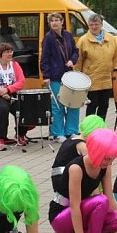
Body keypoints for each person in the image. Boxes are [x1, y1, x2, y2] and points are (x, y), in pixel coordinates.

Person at [49, 128, 117, 233]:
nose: (109, 163)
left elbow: (111, 199)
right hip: (61, 216)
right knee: (100, 201)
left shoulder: (105, 167)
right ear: (96, 152)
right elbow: (74, 206)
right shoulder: (76, 168)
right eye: (107, 159)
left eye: (111, 159)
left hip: (81, 212)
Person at [40, 12, 80, 141]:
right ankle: (58, 132)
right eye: (52, 21)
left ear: (62, 22)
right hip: (55, 76)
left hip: (69, 74)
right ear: (50, 23)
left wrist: (72, 61)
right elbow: (44, 58)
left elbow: (75, 51)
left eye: (57, 20)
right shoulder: (48, 38)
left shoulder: (68, 35)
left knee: (73, 103)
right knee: (58, 105)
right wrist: (46, 75)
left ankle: (72, 130)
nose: (55, 22)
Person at [75, 13, 117, 120]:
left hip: (106, 79)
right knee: (92, 105)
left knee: (104, 105)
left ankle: (101, 128)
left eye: (96, 24)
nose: (94, 27)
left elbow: (115, 58)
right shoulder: (83, 40)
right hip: (91, 80)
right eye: (91, 25)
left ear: (101, 24)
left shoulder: (111, 39)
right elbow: (78, 61)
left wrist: (114, 74)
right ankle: (89, 129)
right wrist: (78, 78)